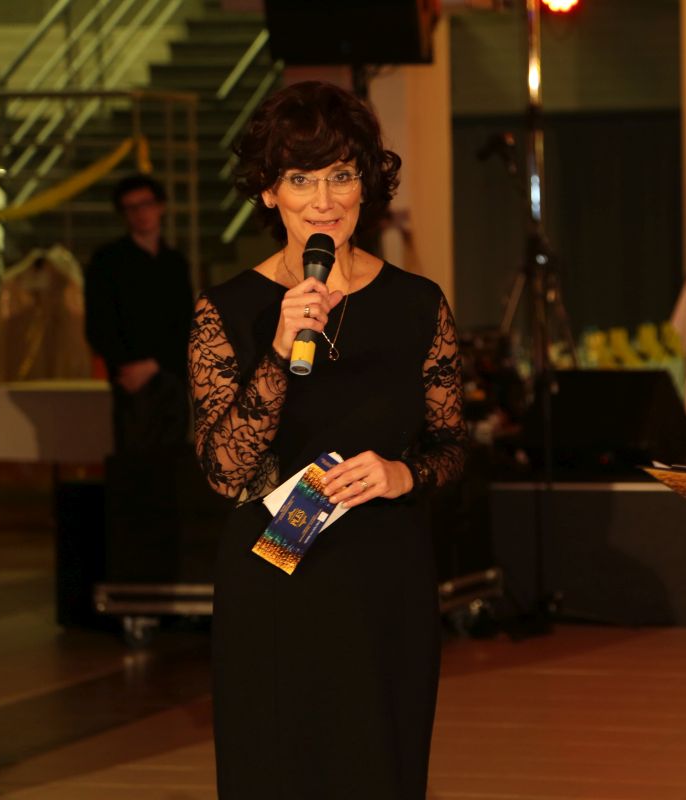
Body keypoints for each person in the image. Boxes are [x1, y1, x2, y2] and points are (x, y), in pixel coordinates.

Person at [188, 81, 466, 798]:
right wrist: (280, 350)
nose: (324, 200)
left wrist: (403, 475)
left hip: (384, 578)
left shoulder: (417, 304)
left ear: (365, 183)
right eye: (300, 178)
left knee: (380, 769)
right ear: (268, 191)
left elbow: (451, 445)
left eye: (341, 174)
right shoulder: (228, 311)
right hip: (275, 579)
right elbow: (223, 470)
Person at [85, 173, 193, 453]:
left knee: (173, 456)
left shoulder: (174, 262)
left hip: (172, 375)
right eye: (131, 208)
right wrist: (126, 366)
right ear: (123, 214)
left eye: (146, 204)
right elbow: (99, 324)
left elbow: (185, 321)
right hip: (129, 377)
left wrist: (156, 364)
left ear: (160, 206)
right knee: (135, 456)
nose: (141, 213)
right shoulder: (107, 261)